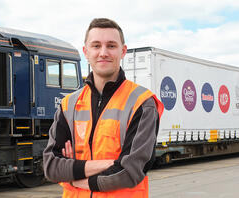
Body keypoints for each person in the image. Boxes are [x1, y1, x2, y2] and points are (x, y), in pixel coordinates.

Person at [43, 18, 164, 198]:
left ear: (123, 51)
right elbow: (51, 167)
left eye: (111, 46)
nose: (103, 52)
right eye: (96, 45)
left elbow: (129, 172)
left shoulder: (142, 102)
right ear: (86, 51)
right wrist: (108, 164)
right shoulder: (69, 104)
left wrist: (75, 177)